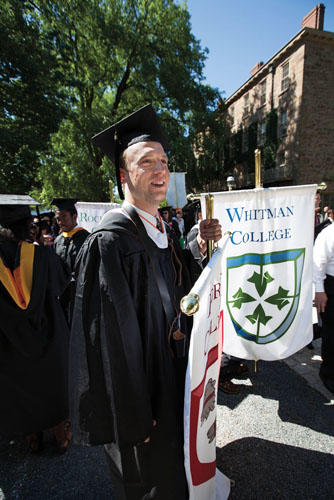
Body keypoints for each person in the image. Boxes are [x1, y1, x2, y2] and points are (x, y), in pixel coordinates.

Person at [69, 104, 222, 500]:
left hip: (172, 374)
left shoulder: (161, 229)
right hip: (142, 393)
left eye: (165, 161)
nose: (160, 171)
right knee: (146, 480)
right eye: (146, 161)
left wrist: (199, 245)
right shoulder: (111, 241)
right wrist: (138, 412)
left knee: (174, 470)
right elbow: (110, 348)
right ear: (123, 176)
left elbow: (178, 285)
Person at [0, 195, 71, 452]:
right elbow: (63, 283)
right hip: (48, 338)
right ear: (25, 226)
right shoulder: (42, 255)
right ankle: (61, 436)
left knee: (20, 390)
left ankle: (31, 437)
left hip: (9, 346)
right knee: (51, 385)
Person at [52, 198, 89, 325]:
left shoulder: (86, 238)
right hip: (61, 294)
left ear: (74, 216)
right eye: (57, 218)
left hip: (80, 293)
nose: (60, 221)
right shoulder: (58, 241)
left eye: (63, 216)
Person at [313, 221, 334, 394]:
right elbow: (318, 263)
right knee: (332, 332)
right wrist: (319, 291)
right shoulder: (329, 233)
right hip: (331, 285)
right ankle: (329, 374)